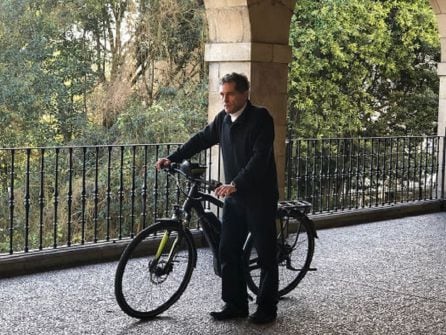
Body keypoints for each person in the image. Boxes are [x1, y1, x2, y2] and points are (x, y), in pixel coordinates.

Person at [155, 72, 279, 324]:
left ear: (244, 94)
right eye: (222, 94)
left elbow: (260, 157)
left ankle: (267, 308)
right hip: (235, 198)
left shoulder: (260, 118)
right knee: (228, 250)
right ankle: (235, 304)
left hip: (259, 197)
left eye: (230, 94)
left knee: (266, 254)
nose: (225, 99)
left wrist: (235, 183)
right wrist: (174, 158)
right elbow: (201, 139)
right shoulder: (223, 119)